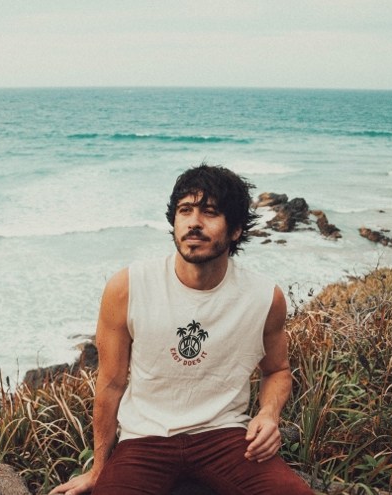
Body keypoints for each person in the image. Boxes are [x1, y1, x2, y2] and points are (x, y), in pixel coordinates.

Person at [50, 164, 313, 495]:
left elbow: (277, 370)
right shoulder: (128, 287)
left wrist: (268, 415)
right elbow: (111, 383)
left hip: (225, 437)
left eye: (210, 212)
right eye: (185, 210)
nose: (194, 222)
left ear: (235, 230)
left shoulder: (263, 297)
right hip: (144, 440)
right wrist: (98, 469)